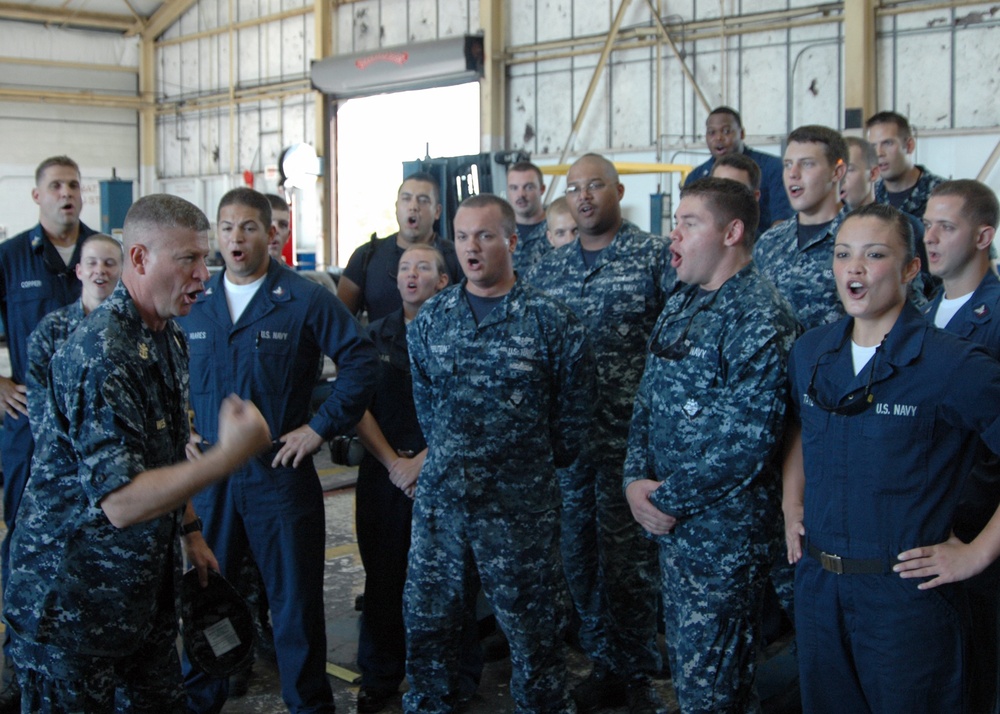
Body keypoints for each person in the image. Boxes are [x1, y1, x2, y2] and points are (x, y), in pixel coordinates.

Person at [3, 193, 271, 712]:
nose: (204, 276)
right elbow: (121, 503)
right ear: (142, 258)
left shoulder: (167, 336)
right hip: (72, 609)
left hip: (139, 600)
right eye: (188, 260)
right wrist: (227, 457)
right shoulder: (102, 354)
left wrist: (191, 530)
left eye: (205, 259)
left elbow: (163, 450)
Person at [783, 202, 1000, 714]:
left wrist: (979, 552)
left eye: (874, 255)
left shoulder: (953, 364)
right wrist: (793, 504)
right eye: (842, 255)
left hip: (904, 601)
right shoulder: (812, 352)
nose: (853, 269)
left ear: (910, 269)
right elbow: (801, 426)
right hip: (819, 590)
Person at [178, 187, 378, 714]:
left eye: (248, 227)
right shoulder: (194, 303)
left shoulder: (305, 298)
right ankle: (201, 702)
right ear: (215, 236)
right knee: (206, 598)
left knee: (295, 606)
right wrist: (178, 429)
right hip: (210, 479)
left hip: (279, 478)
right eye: (226, 228)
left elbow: (361, 361)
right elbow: (163, 370)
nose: (236, 238)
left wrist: (318, 427)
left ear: (271, 234)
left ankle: (309, 706)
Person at [404, 193, 596, 714]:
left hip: (519, 513)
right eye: (463, 237)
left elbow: (572, 427)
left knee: (535, 636)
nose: (472, 248)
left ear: (512, 241)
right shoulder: (430, 322)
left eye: (485, 236)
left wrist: (518, 467)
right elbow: (427, 410)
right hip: (442, 510)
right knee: (429, 627)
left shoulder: (552, 323)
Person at [624, 177, 797, 713]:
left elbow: (745, 448)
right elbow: (645, 403)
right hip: (672, 533)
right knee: (693, 680)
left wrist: (662, 501)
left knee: (714, 690)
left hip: (722, 542)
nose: (673, 235)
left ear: (732, 232)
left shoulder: (760, 319)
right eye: (675, 222)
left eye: (688, 223)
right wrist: (633, 481)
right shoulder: (682, 303)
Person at [526, 153, 674, 714]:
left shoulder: (652, 257)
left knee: (629, 565)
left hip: (630, 448)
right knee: (578, 561)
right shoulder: (550, 267)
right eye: (575, 189)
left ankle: (636, 673)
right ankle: (603, 660)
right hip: (569, 449)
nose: (585, 197)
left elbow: (673, 344)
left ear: (617, 191)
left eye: (595, 186)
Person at [353, 244, 481, 713]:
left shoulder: (463, 334)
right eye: (404, 267)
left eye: (423, 267)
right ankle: (380, 675)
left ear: (443, 281)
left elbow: (468, 408)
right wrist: (393, 463)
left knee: (451, 580)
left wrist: (422, 462)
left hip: (443, 473)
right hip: (384, 475)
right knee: (383, 578)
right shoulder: (373, 337)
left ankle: (458, 674)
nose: (411, 275)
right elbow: (356, 404)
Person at [0, 155, 99, 709]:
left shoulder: (100, 254)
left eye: (73, 185)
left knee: (96, 534)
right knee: (26, 540)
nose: (66, 194)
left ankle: (84, 654)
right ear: (36, 197)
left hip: (96, 426)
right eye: (55, 186)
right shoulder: (11, 258)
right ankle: (22, 659)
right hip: (29, 430)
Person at [920, 179, 1000, 713]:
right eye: (926, 225)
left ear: (983, 236)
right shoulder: (923, 314)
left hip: (979, 535)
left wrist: (977, 549)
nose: (930, 238)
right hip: (933, 527)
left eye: (946, 227)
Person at [754, 125, 849, 332]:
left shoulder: (862, 239)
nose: (793, 174)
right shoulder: (769, 244)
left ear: (837, 172)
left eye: (806, 164)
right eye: (788, 165)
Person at [25, 233, 122, 430]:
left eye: (109, 263)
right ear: (79, 271)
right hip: (65, 453)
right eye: (91, 263)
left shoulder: (136, 328)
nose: (100, 270)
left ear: (122, 271)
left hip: (123, 448)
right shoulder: (52, 329)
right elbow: (39, 404)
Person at [338, 172, 461, 321]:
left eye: (423, 200)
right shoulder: (365, 256)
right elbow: (339, 322)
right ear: (397, 207)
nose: (413, 207)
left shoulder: (456, 256)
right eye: (406, 199)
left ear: (437, 211)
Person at [842, 136, 932, 291]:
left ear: (873, 173)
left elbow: (927, 291)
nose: (840, 179)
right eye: (835, 171)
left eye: (849, 170)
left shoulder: (905, 227)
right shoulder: (817, 234)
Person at [685, 106, 794, 231]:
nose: (718, 138)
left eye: (726, 131)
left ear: (742, 133)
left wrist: (767, 248)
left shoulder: (772, 168)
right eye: (712, 132)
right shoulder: (696, 177)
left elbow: (782, 221)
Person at [866, 111, 945, 219]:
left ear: (909, 146)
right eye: (873, 146)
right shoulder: (870, 198)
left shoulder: (942, 194)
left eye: (888, 143)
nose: (879, 153)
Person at [507, 161, 552, 272]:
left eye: (528, 187)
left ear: (542, 189)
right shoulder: (501, 231)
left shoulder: (559, 229)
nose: (521, 194)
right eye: (514, 188)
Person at [265, 193, 291, 264]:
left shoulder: (293, 275)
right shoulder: (234, 274)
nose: (276, 231)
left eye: (283, 225)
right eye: (268, 223)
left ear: (288, 235)